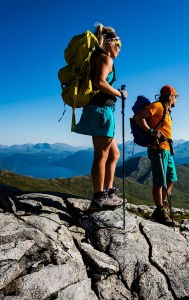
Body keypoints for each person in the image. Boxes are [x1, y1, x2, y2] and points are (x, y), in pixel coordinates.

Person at [73, 23, 128, 208]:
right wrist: (119, 94)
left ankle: (109, 190)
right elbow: (99, 82)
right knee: (101, 156)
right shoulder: (106, 59)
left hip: (99, 111)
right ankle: (99, 197)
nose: (120, 50)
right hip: (102, 111)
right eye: (118, 45)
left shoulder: (97, 57)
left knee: (114, 154)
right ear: (110, 43)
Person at [133, 85, 178, 224]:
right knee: (160, 181)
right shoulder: (158, 106)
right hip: (158, 148)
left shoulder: (166, 110)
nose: (176, 99)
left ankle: (162, 204)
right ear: (170, 96)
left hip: (166, 149)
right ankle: (160, 211)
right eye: (175, 96)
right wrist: (151, 130)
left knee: (172, 178)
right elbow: (138, 116)